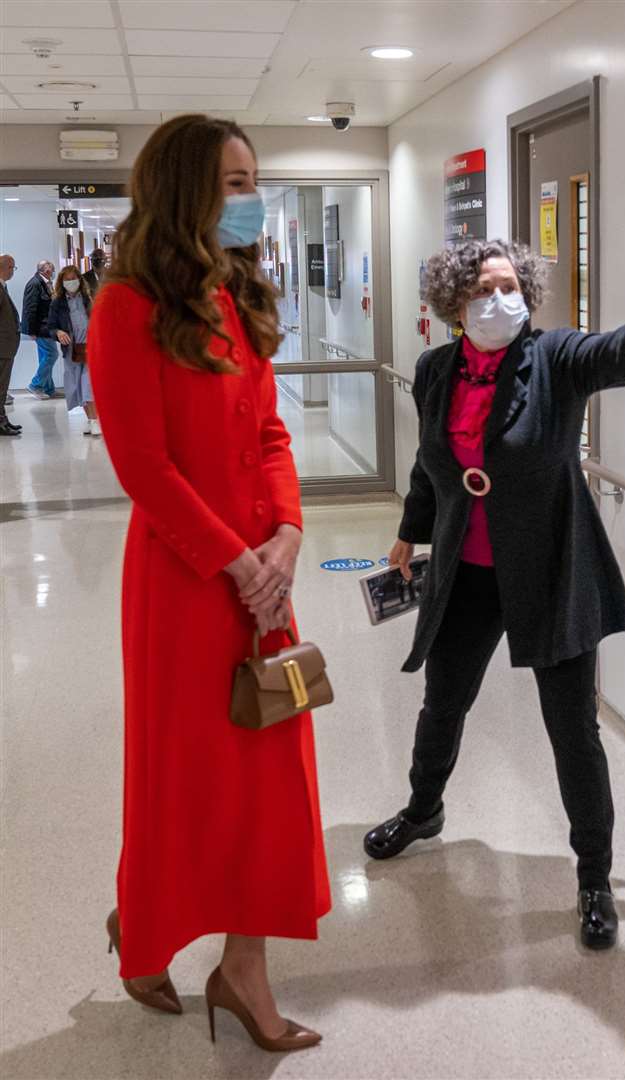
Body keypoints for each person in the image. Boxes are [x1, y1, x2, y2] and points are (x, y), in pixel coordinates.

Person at [364, 236, 625, 951]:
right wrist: (411, 530)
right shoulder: (436, 368)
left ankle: (593, 875)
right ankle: (422, 809)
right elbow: (430, 462)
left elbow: (613, 352)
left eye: (509, 287)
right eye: (480, 291)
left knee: (572, 730)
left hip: (551, 570)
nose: (498, 301)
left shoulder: (554, 359)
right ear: (451, 306)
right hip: (465, 571)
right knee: (443, 704)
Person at [88, 114, 328, 1053]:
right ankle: (143, 922)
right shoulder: (125, 307)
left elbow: (268, 435)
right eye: (233, 183)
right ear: (185, 190)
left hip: (263, 579)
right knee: (186, 775)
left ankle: (242, 966)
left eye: (252, 181)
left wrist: (290, 537)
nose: (249, 199)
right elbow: (144, 466)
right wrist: (236, 561)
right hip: (188, 585)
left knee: (270, 777)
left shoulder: (240, 298)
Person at [46, 266, 99, 436]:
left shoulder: (87, 298)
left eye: (73, 278)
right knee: (77, 386)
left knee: (87, 383)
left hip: (89, 347)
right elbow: (51, 327)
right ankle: (91, 420)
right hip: (71, 350)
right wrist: (59, 332)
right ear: (62, 282)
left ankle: (94, 421)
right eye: (67, 279)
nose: (71, 282)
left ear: (79, 279)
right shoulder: (57, 303)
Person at [22, 260, 58, 399]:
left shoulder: (47, 284)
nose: (53, 272)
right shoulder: (35, 284)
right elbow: (30, 309)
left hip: (48, 326)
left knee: (45, 356)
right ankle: (35, 385)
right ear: (46, 270)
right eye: (52, 269)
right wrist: (32, 331)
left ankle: (48, 388)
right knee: (51, 355)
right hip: (40, 328)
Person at [0, 254, 19, 436]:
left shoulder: (3, 287)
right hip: (2, 347)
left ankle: (3, 420)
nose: (13, 271)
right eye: (12, 268)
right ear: (5, 268)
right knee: (1, 386)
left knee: (3, 387)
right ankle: (1, 423)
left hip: (6, 347)